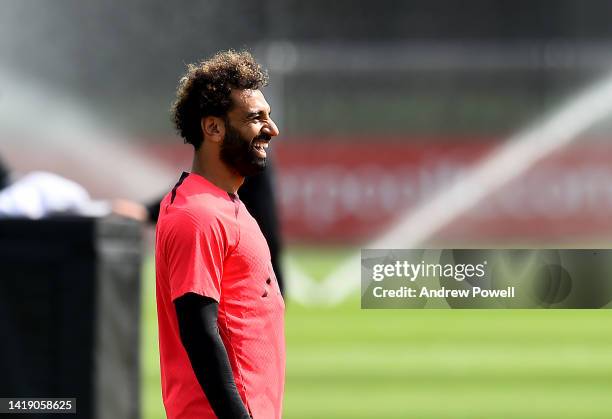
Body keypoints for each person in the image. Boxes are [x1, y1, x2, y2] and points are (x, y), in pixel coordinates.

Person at [154, 50, 285, 419]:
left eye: (269, 116)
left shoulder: (225, 205)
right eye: (256, 118)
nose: (272, 129)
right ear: (213, 128)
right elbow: (198, 332)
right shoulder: (198, 215)